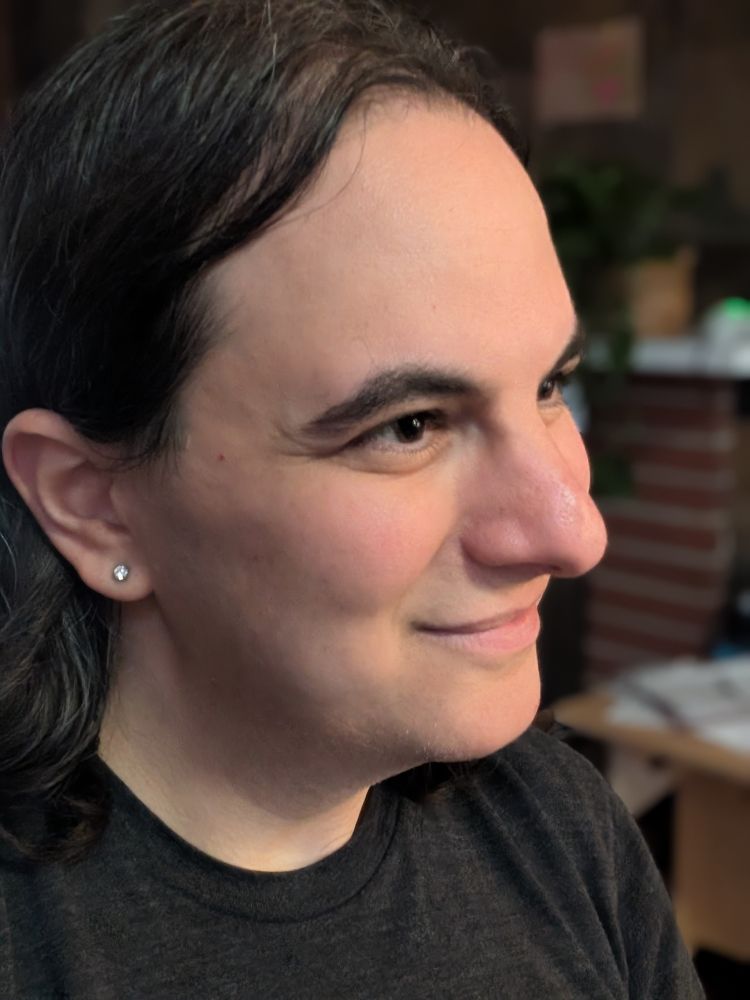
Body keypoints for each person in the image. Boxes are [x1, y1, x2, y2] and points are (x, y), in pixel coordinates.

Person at [0, 1, 704, 996]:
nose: (571, 532)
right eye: (409, 426)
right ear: (93, 504)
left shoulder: (561, 831)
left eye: (550, 385)